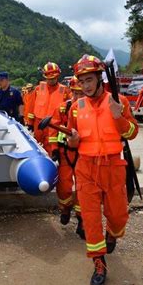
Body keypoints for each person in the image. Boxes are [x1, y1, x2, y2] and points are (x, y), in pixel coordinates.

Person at [66, 54, 139, 285]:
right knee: (91, 218)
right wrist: (73, 141)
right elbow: (70, 141)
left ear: (100, 78)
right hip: (86, 167)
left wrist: (118, 118)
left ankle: (112, 235)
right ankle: (99, 263)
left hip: (113, 166)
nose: (85, 85)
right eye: (82, 81)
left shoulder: (119, 101)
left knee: (117, 216)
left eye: (89, 80)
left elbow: (131, 133)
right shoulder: (76, 108)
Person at [48, 77, 84, 239]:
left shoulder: (88, 111)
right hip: (64, 153)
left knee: (84, 189)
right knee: (64, 187)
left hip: (84, 154)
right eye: (75, 93)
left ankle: (82, 220)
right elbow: (53, 132)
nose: (77, 97)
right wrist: (54, 149)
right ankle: (65, 208)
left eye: (80, 93)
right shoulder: (61, 109)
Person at [25, 62, 70, 154]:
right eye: (49, 78)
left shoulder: (65, 91)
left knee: (51, 150)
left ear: (57, 76)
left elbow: (69, 110)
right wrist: (30, 122)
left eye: (53, 78)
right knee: (37, 148)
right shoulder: (38, 89)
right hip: (38, 124)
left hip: (54, 125)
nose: (51, 80)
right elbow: (31, 106)